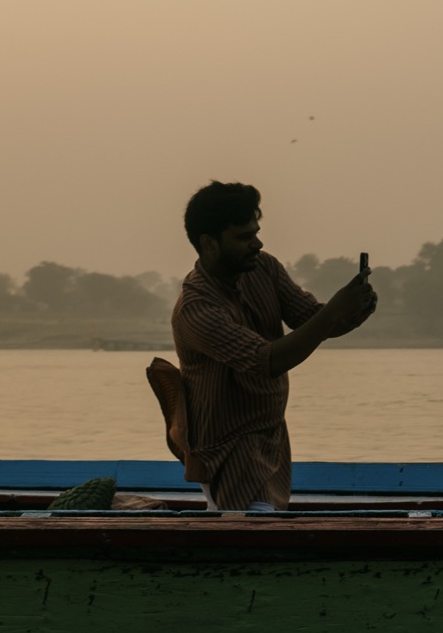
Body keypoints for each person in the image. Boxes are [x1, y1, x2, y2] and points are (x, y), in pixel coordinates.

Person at [144, 181, 377, 511]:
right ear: (209, 244)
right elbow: (267, 362)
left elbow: (311, 319)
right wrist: (335, 310)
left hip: (270, 439)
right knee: (250, 527)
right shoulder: (196, 309)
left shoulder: (264, 268)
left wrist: (356, 309)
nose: (257, 243)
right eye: (243, 237)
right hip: (225, 451)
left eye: (255, 232)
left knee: (259, 525)